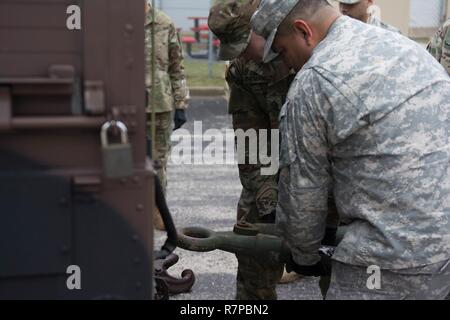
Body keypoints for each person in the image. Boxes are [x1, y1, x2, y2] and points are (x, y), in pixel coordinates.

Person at [251, 0, 450, 299]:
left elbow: (304, 199)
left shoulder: (314, 80)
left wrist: (302, 256)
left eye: (282, 51)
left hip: (386, 265)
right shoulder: (404, 48)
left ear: (304, 31)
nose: (287, 64)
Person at [208, 0, 296, 299]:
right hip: (271, 168)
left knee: (340, 268)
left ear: (266, 28)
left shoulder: (315, 52)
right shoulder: (243, 69)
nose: (243, 53)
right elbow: (252, 143)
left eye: (245, 43)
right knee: (251, 246)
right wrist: (268, 201)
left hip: (329, 174)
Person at [145, 2, 189, 230]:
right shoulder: (118, 23)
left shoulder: (164, 23)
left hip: (158, 105)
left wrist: (181, 103)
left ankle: (156, 213)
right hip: (124, 104)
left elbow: (176, 66)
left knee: (158, 161)